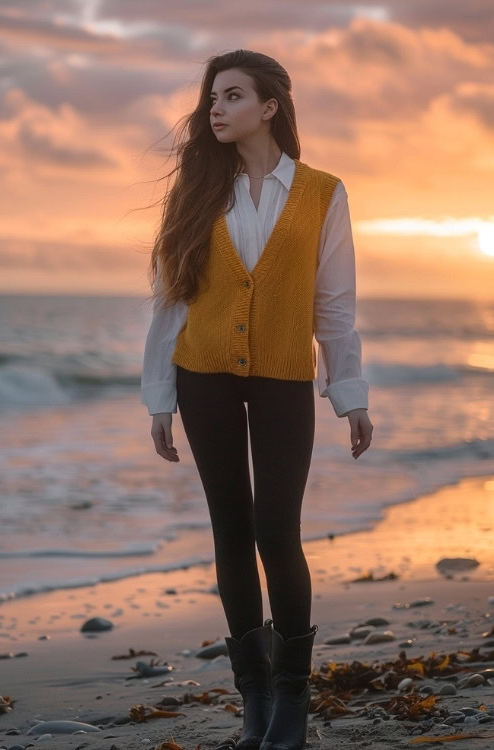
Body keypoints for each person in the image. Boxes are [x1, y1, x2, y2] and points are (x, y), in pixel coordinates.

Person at [141, 49, 373, 750]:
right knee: (230, 530)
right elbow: (170, 300)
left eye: (232, 96)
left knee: (277, 529)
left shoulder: (324, 192)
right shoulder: (196, 193)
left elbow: (334, 305)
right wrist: (159, 396)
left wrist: (349, 393)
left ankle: (292, 706)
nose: (216, 108)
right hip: (201, 375)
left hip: (280, 375)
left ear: (269, 107)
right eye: (213, 97)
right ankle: (254, 706)